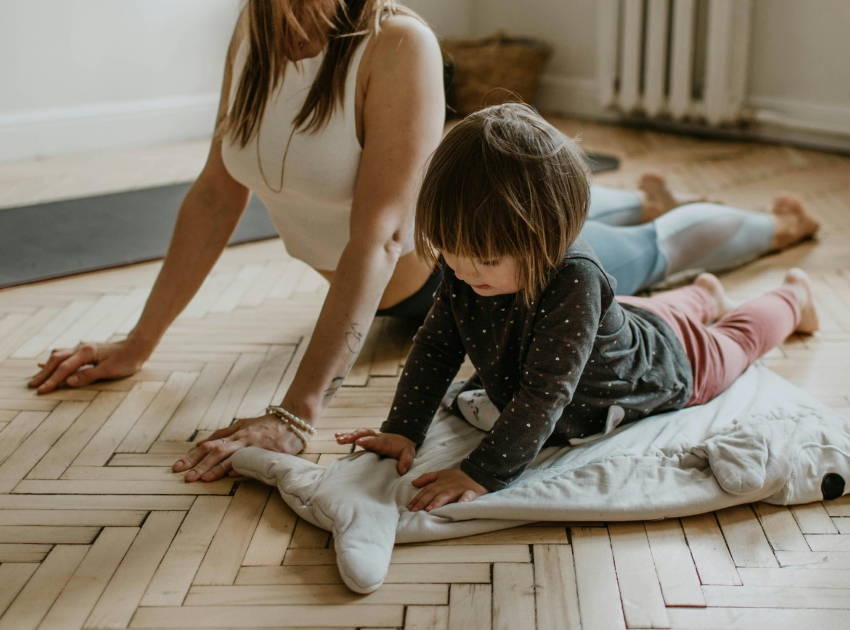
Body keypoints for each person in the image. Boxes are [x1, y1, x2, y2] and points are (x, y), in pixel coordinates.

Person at [27, 0, 818, 484]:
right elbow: (213, 194)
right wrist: (139, 341)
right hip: (454, 259)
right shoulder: (254, 33)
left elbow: (379, 237)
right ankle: (646, 218)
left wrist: (296, 414)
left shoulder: (395, 45)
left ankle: (774, 232)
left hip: (483, 275)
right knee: (620, 232)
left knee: (646, 249)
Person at [335, 104, 818, 510]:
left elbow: (545, 393)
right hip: (625, 321)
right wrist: (403, 428)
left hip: (668, 362)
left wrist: (480, 472)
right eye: (449, 252)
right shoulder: (467, 267)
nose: (460, 271)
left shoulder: (576, 280)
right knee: (649, 313)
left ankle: (793, 297)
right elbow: (438, 346)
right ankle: (706, 293)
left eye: (483, 259)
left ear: (546, 239)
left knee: (736, 339)